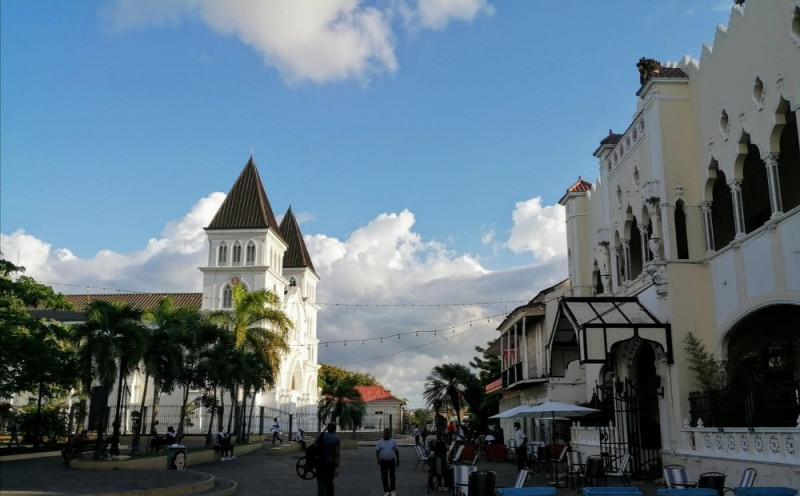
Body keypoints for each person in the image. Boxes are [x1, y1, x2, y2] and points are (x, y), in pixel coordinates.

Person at [316, 422, 341, 496]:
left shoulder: (321, 436)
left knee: (321, 483)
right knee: (329, 482)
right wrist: (337, 466)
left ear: (328, 428)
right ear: (335, 429)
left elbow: (316, 446)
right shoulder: (337, 439)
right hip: (330, 463)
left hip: (320, 462)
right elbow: (337, 454)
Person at [375, 427, 400, 496]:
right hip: (383, 462)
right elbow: (377, 451)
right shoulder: (380, 442)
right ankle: (386, 491)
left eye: (389, 433)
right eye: (386, 433)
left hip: (392, 461)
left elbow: (396, 451)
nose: (387, 434)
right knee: (384, 476)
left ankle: (392, 490)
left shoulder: (393, 441)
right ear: (384, 433)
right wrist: (378, 460)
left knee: (392, 475)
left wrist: (398, 460)